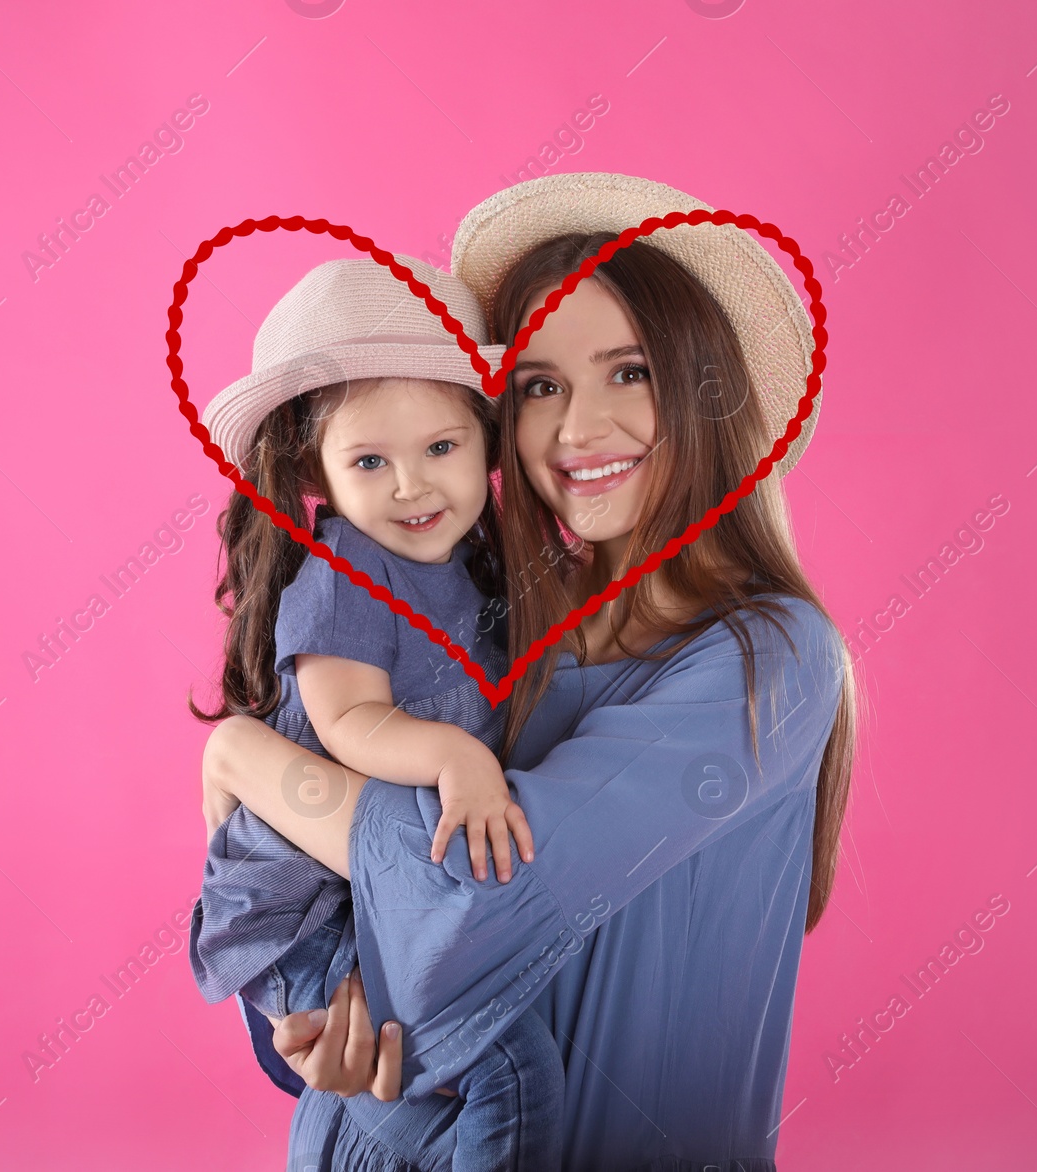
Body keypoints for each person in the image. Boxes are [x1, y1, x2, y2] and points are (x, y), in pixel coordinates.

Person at [197, 173, 857, 1171]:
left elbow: (473, 894)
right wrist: (329, 1008)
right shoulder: (504, 629)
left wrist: (244, 762)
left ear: (703, 386)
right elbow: (375, 946)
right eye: (541, 385)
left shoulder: (765, 654)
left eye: (627, 370)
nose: (576, 427)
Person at [188, 256, 565, 1169]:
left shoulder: (475, 573)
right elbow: (352, 721)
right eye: (370, 461)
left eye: (440, 448)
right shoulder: (346, 578)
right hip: (308, 913)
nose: (410, 487)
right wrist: (456, 760)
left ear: (485, 441)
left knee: (468, 1075)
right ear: (314, 471)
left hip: (384, 895)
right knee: (497, 1065)